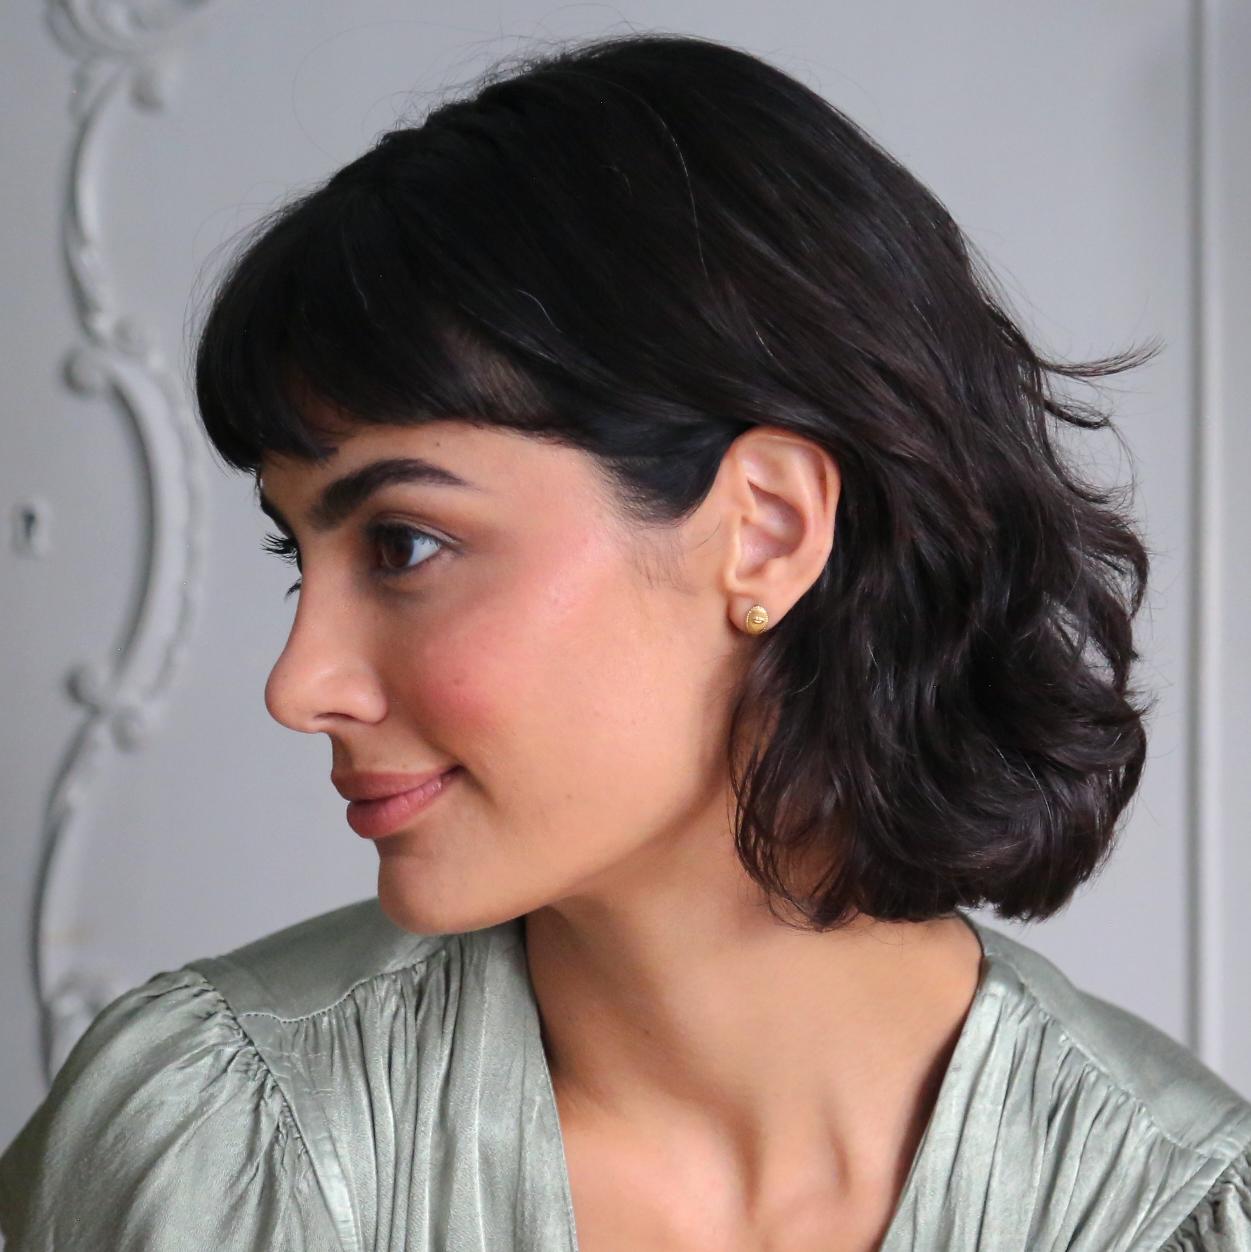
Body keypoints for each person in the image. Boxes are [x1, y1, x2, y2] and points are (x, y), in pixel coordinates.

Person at [2, 29, 1248, 1252]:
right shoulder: (214, 1154)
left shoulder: (1168, 1217)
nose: (298, 684)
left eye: (404, 544)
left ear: (764, 530)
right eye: (299, 556)